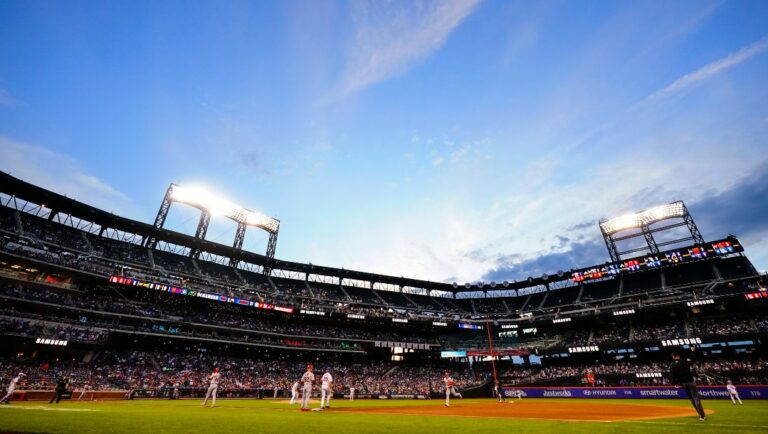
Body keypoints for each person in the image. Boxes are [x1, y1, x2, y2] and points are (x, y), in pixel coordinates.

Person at [669, 350, 706, 420]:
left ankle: (700, 414)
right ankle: (702, 416)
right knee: (696, 399)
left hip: (683, 384)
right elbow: (692, 359)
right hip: (690, 382)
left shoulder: (672, 365)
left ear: (673, 357)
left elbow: (671, 376)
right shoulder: (684, 361)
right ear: (678, 356)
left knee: (692, 400)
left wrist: (675, 383)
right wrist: (692, 351)